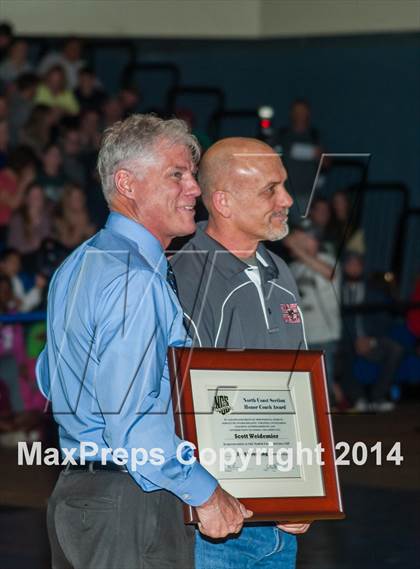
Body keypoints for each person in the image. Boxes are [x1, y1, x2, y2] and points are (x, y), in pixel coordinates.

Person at [36, 114, 251, 569]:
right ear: (126, 184)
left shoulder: (78, 264)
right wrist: (205, 493)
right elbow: (132, 426)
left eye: (192, 175)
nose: (194, 188)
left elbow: (50, 376)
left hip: (79, 497)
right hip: (130, 502)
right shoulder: (136, 279)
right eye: (177, 174)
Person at [171, 137, 310, 569]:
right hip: (215, 528)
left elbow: (301, 394)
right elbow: (181, 406)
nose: (287, 199)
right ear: (223, 202)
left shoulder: (279, 269)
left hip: (280, 521)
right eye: (271, 189)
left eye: (284, 185)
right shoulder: (183, 275)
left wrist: (304, 487)